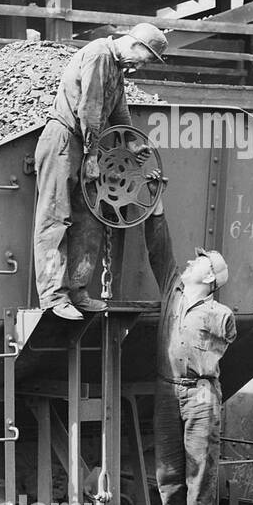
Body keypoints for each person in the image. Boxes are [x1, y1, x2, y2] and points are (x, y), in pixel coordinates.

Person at [34, 22, 168, 320]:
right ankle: (53, 297)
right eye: (144, 59)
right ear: (136, 44)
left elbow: (118, 110)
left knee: (89, 218)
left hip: (84, 144)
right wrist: (92, 155)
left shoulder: (117, 68)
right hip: (63, 140)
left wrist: (131, 143)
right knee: (56, 217)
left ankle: (78, 291)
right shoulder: (98, 55)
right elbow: (90, 107)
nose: (141, 67)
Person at [142, 185, 236, 505]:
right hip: (167, 389)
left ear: (210, 276)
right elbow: (159, 249)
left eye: (198, 261)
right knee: (168, 470)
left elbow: (218, 348)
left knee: (200, 470)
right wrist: (155, 205)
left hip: (200, 393)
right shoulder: (173, 291)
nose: (189, 262)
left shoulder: (220, 315)